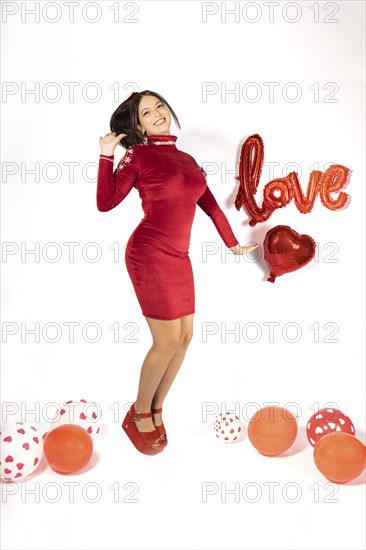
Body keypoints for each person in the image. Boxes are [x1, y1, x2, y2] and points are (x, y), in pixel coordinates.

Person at [97, 90, 259, 456]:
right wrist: (107, 155)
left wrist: (232, 244)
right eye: (146, 112)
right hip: (149, 253)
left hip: (179, 256)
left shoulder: (187, 159)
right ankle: (137, 414)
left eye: (159, 106)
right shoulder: (138, 155)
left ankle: (155, 408)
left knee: (185, 337)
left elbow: (212, 206)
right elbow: (106, 203)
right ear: (137, 125)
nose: (156, 113)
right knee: (166, 341)